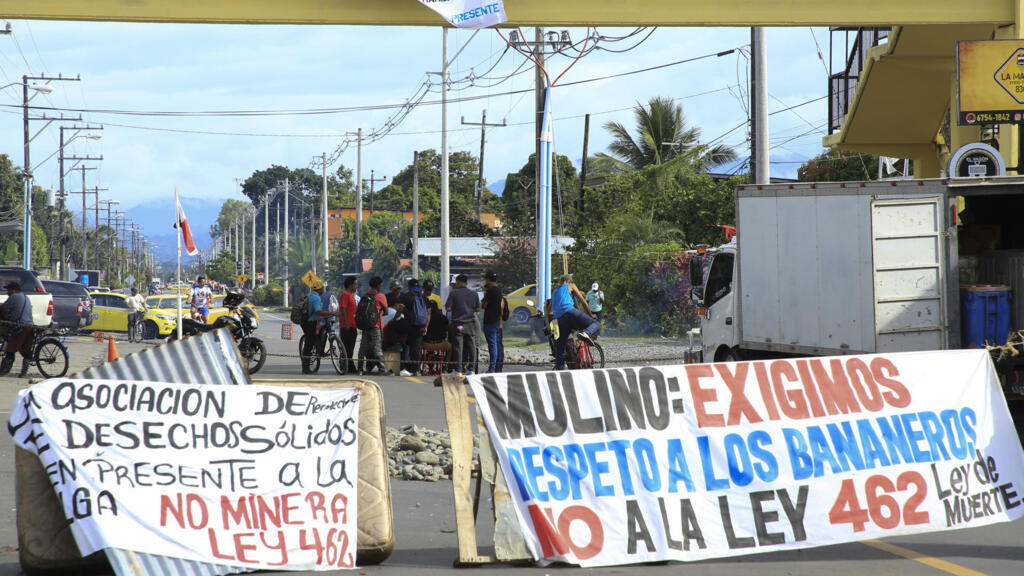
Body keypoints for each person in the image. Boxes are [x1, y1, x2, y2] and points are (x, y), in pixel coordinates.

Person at [552, 273, 601, 370]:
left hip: (560, 318)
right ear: (568, 281)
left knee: (561, 344)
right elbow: (583, 301)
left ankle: (559, 369)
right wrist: (591, 315)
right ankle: (586, 333)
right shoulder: (570, 285)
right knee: (595, 323)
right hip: (570, 312)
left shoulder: (554, 291)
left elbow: (550, 308)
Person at [445, 273, 480, 375]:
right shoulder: (474, 294)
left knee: (458, 346)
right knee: (471, 346)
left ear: (459, 282)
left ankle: (458, 370)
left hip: (459, 325)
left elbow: (448, 308)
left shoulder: (454, 294)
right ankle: (471, 369)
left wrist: (457, 308)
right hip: (470, 324)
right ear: (466, 282)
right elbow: (477, 309)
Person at [0, 282, 34, 377]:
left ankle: (4, 371)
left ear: (14, 290)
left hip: (20, 326)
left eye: (9, 290)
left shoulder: (14, 297)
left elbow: (3, 308)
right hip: (30, 326)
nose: (8, 293)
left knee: (10, 349)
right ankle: (23, 373)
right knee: (26, 351)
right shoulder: (25, 297)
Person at [300, 279, 334, 374]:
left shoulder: (313, 295)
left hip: (313, 321)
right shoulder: (316, 298)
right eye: (323, 288)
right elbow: (318, 311)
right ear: (320, 288)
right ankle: (305, 368)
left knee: (317, 338)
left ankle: (319, 349)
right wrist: (332, 313)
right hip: (308, 323)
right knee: (309, 344)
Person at [358, 276, 390, 375]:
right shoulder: (380, 296)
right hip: (375, 326)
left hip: (365, 326)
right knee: (377, 348)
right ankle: (382, 369)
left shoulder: (365, 295)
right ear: (378, 285)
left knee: (363, 347)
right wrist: (378, 315)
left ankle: (360, 369)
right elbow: (386, 311)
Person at [399, 278, 429, 377]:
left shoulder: (407, 296)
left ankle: (411, 368)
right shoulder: (424, 297)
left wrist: (394, 319)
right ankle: (416, 369)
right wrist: (426, 326)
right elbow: (429, 313)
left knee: (411, 346)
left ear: (409, 287)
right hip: (421, 325)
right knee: (417, 346)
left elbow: (401, 309)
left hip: (410, 325)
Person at [480, 271, 504, 373]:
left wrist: (485, 294)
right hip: (497, 321)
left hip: (490, 321)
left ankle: (492, 368)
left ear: (488, 280)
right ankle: (498, 367)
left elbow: (483, 305)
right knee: (497, 344)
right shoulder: (499, 290)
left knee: (492, 345)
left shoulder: (490, 291)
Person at [337, 276, 359, 374]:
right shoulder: (345, 294)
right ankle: (347, 366)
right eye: (355, 284)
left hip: (353, 325)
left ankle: (349, 366)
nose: (356, 286)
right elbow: (343, 309)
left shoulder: (351, 295)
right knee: (347, 348)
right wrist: (346, 324)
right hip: (347, 326)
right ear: (350, 285)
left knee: (350, 348)